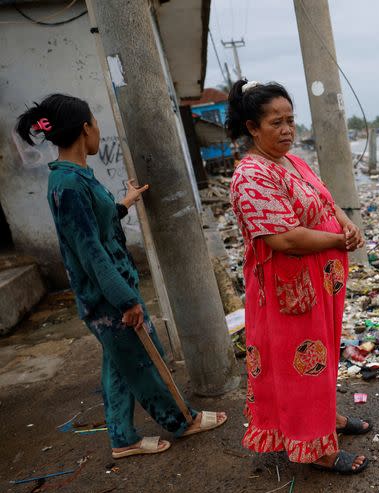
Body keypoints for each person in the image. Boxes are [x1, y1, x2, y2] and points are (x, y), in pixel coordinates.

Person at [15, 94, 227, 459]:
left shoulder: (76, 177)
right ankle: (183, 420)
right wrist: (125, 301)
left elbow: (96, 225)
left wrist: (125, 202)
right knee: (147, 360)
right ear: (85, 128)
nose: (98, 129)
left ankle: (123, 438)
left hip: (110, 292)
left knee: (119, 364)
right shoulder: (66, 185)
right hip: (107, 298)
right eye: (95, 122)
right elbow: (90, 251)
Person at [227, 80, 370, 474]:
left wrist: (346, 224)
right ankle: (316, 449)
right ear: (253, 128)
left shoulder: (291, 160)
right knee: (301, 364)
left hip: (320, 283)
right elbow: (284, 238)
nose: (287, 129)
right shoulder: (251, 176)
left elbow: (324, 198)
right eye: (276, 122)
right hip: (290, 289)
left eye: (291, 120)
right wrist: (339, 239)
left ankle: (326, 422)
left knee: (322, 357)